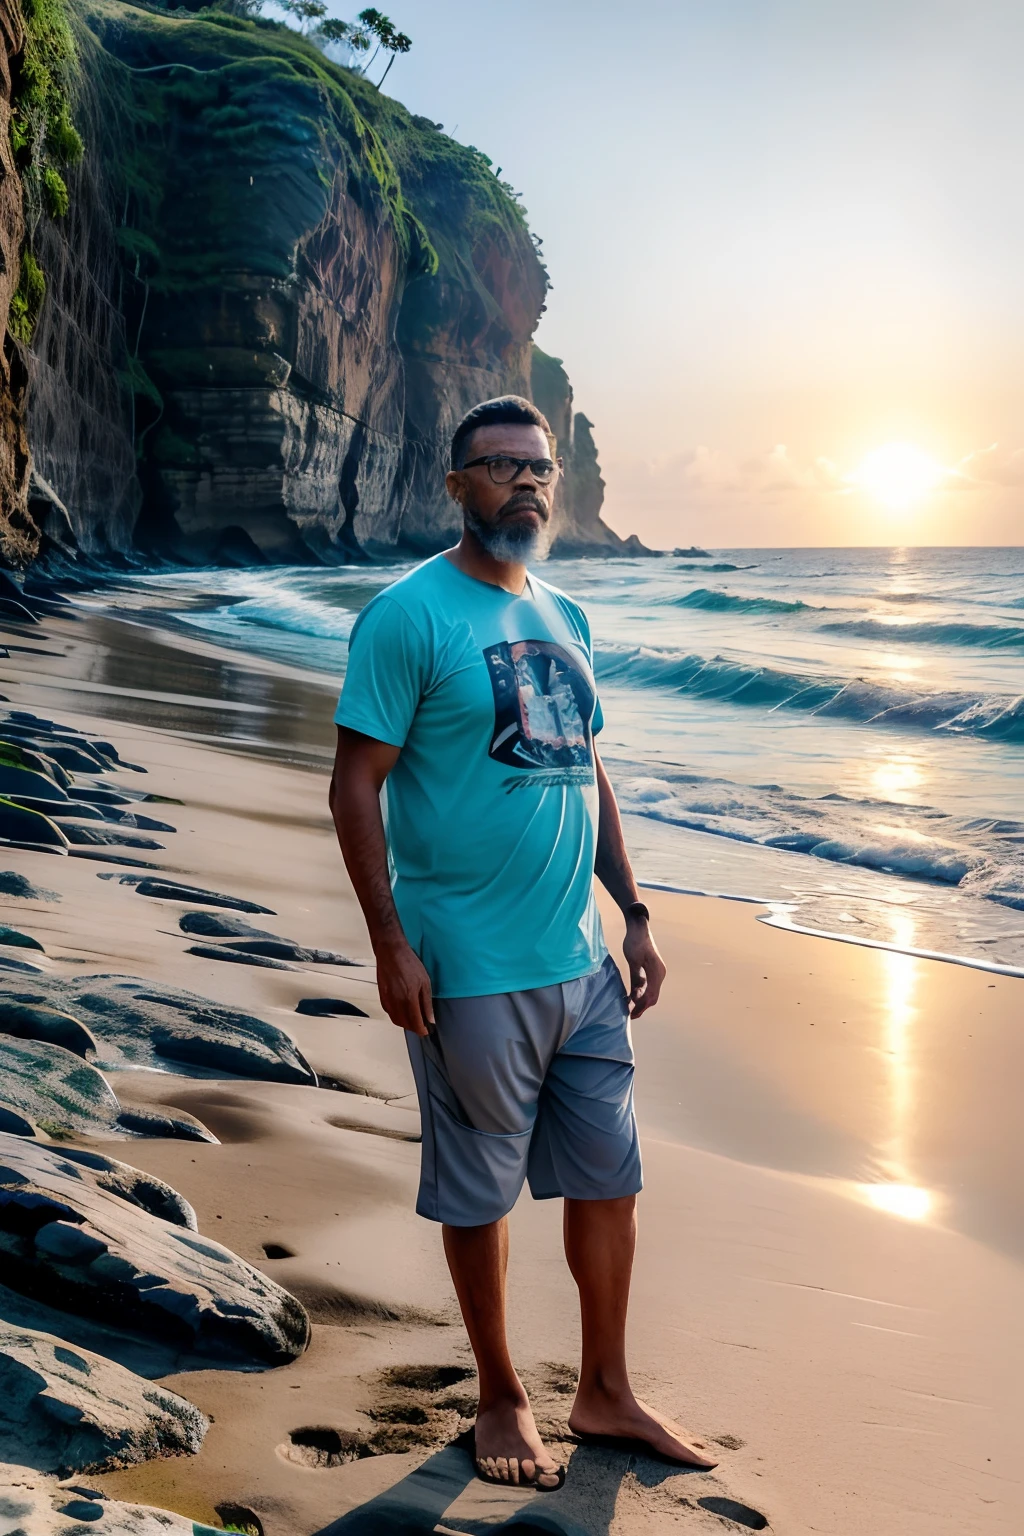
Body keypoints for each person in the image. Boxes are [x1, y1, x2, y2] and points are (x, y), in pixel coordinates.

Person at [329, 395, 717, 1491]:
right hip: (467, 966)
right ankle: (500, 1395)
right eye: (501, 467)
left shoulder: (564, 617)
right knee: (480, 1192)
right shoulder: (408, 617)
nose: (527, 484)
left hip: (579, 962)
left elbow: (585, 767)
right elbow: (354, 782)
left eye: (538, 468)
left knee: (609, 1181)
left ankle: (603, 1390)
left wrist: (631, 913)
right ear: (457, 485)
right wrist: (389, 943)